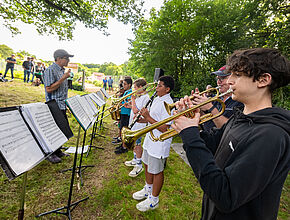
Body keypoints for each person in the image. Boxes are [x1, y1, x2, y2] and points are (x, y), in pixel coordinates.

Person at [172, 48, 290, 220]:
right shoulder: (240, 117)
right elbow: (215, 149)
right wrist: (193, 127)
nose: (230, 81)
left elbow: (226, 196)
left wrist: (190, 137)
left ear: (263, 80)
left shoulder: (270, 136)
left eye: (237, 75)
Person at [132, 75, 175, 212]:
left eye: (160, 85)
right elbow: (152, 119)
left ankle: (154, 199)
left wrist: (148, 117)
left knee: (157, 171)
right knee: (147, 164)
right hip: (150, 140)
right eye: (157, 84)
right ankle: (148, 189)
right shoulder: (157, 98)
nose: (156, 87)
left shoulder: (168, 104)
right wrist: (141, 120)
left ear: (167, 89)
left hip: (159, 142)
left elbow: (165, 128)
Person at [43, 49, 74, 163]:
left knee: (61, 129)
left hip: (61, 104)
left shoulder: (62, 71)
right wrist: (63, 79)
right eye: (66, 58)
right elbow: (49, 89)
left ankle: (58, 150)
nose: (68, 60)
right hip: (53, 105)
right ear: (59, 58)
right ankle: (50, 153)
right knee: (53, 130)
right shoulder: (50, 70)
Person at [193, 65, 243, 132]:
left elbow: (231, 129)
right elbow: (209, 126)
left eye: (222, 78)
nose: (218, 82)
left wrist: (211, 108)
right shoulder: (214, 99)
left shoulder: (241, 101)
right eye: (217, 79)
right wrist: (199, 110)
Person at [123, 78, 150, 177]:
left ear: (141, 87)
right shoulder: (139, 96)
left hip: (140, 124)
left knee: (138, 145)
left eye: (135, 87)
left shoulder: (146, 97)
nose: (134, 89)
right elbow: (136, 109)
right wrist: (129, 106)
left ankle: (139, 165)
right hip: (134, 123)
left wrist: (133, 100)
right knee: (135, 144)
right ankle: (135, 160)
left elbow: (136, 111)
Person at [114, 76, 133, 154]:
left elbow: (127, 102)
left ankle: (124, 147)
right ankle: (122, 145)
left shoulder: (130, 93)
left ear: (129, 84)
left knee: (124, 129)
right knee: (121, 128)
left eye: (125, 84)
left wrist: (119, 102)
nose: (123, 86)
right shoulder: (126, 92)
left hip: (126, 114)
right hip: (123, 113)